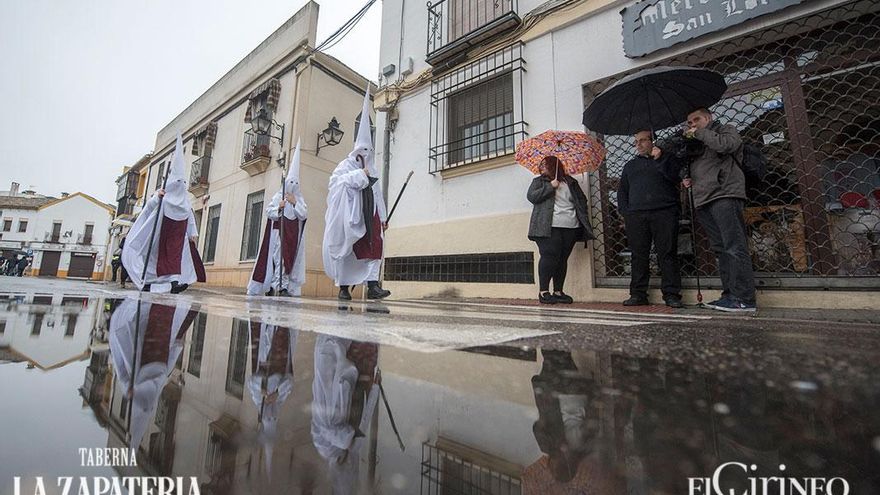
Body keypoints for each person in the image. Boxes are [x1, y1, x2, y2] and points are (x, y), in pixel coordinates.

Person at [682, 108, 756, 312]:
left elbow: (726, 145)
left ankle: (745, 299)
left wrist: (699, 133)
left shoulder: (725, 130)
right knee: (721, 250)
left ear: (708, 118)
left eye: (696, 119)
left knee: (734, 246)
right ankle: (730, 295)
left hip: (724, 194)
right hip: (703, 199)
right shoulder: (696, 142)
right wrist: (687, 178)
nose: (692, 124)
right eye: (689, 122)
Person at [322, 87, 391, 301]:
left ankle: (373, 286)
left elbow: (377, 194)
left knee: (376, 246)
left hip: (370, 214)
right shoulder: (345, 165)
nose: (366, 155)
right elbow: (335, 184)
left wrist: (383, 217)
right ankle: (343, 288)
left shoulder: (373, 168)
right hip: (351, 215)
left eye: (369, 151)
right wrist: (360, 175)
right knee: (348, 251)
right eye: (363, 151)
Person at [122, 133, 207, 294]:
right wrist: (157, 198)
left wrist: (192, 234)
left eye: (182, 182)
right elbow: (149, 209)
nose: (180, 185)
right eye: (177, 182)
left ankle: (174, 284)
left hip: (176, 237)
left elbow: (189, 217)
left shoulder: (185, 202)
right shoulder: (162, 197)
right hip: (158, 236)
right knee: (154, 260)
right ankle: (147, 283)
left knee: (175, 258)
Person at [618, 131, 683, 308]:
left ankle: (671, 294)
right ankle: (638, 294)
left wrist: (660, 158)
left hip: (664, 212)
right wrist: (626, 213)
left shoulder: (666, 159)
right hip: (637, 216)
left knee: (667, 253)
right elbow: (622, 191)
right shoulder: (630, 166)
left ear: (652, 141)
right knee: (638, 256)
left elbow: (675, 177)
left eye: (642, 140)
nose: (638, 145)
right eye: (636, 142)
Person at [527, 156, 595, 304]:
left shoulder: (570, 182)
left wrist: (580, 213)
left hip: (570, 225)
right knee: (549, 256)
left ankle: (558, 291)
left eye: (545, 164)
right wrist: (550, 187)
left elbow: (582, 199)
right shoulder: (538, 182)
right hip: (548, 226)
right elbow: (532, 197)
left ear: (554, 165)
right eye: (541, 164)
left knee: (562, 259)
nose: (541, 167)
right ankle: (544, 292)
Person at [248, 141, 308, 297]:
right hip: (278, 234)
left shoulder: (299, 199)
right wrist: (279, 207)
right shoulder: (278, 196)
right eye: (291, 182)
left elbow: (303, 215)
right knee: (277, 260)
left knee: (288, 261)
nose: (293, 185)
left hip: (292, 236)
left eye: (296, 183)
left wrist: (294, 203)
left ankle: (283, 286)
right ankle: (278, 286)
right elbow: (269, 212)